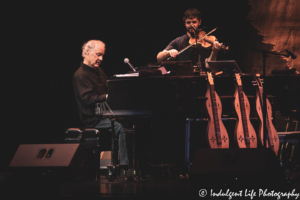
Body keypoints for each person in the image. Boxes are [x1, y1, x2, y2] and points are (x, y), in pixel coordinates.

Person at [72, 39, 128, 166]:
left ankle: (135, 162)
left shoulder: (99, 71)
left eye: (102, 55)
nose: (101, 58)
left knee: (131, 122)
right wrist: (108, 96)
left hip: (106, 114)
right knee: (121, 127)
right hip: (93, 119)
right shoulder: (80, 75)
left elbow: (109, 89)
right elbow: (88, 99)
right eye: (98, 54)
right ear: (86, 52)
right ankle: (125, 166)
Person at [157, 8, 223, 70]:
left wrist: (214, 52)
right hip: (183, 78)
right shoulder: (178, 41)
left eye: (194, 22)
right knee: (162, 70)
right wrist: (168, 52)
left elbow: (209, 67)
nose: (191, 25)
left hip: (202, 78)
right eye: (188, 22)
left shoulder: (205, 42)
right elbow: (159, 57)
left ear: (199, 22)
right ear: (185, 24)